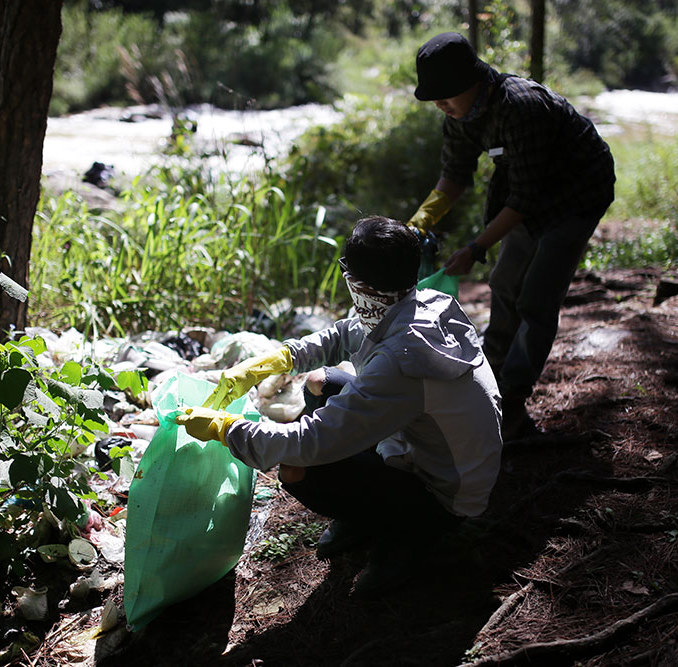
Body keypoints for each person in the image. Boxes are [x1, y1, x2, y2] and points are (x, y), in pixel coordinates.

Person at [176, 216, 503, 597]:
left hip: (444, 494)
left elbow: (309, 442)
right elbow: (342, 334)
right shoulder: (415, 301)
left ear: (360, 285)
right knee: (319, 381)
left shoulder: (402, 362)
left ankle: (406, 537)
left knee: (298, 469)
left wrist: (227, 429)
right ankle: (368, 512)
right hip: (426, 447)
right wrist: (274, 360)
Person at [407, 32, 616, 441]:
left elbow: (523, 198)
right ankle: (491, 379)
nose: (440, 104)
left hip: (577, 193)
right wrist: (418, 224)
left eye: (446, 95)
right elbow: (455, 175)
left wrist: (476, 247)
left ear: (474, 81)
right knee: (504, 282)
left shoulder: (520, 106)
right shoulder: (459, 115)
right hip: (530, 195)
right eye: (435, 97)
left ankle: (513, 402)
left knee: (537, 298)